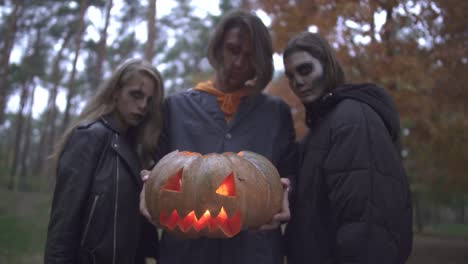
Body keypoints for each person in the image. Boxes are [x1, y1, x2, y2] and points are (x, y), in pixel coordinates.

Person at [141, 9, 296, 264]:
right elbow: (155, 169)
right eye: (233, 49)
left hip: (255, 252)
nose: (238, 63)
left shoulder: (275, 112)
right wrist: (147, 185)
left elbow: (292, 172)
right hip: (186, 253)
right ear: (218, 47)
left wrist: (288, 193)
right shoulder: (176, 107)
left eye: (249, 56)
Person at [282, 31, 413, 264]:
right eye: (290, 76)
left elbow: (368, 229)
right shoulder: (322, 128)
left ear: (327, 65)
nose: (297, 82)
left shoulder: (353, 119)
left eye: (305, 70)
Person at [44, 59, 164, 264]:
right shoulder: (89, 137)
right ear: (116, 92)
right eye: (136, 95)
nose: (143, 105)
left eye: (148, 100)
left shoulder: (136, 148)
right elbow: (63, 224)